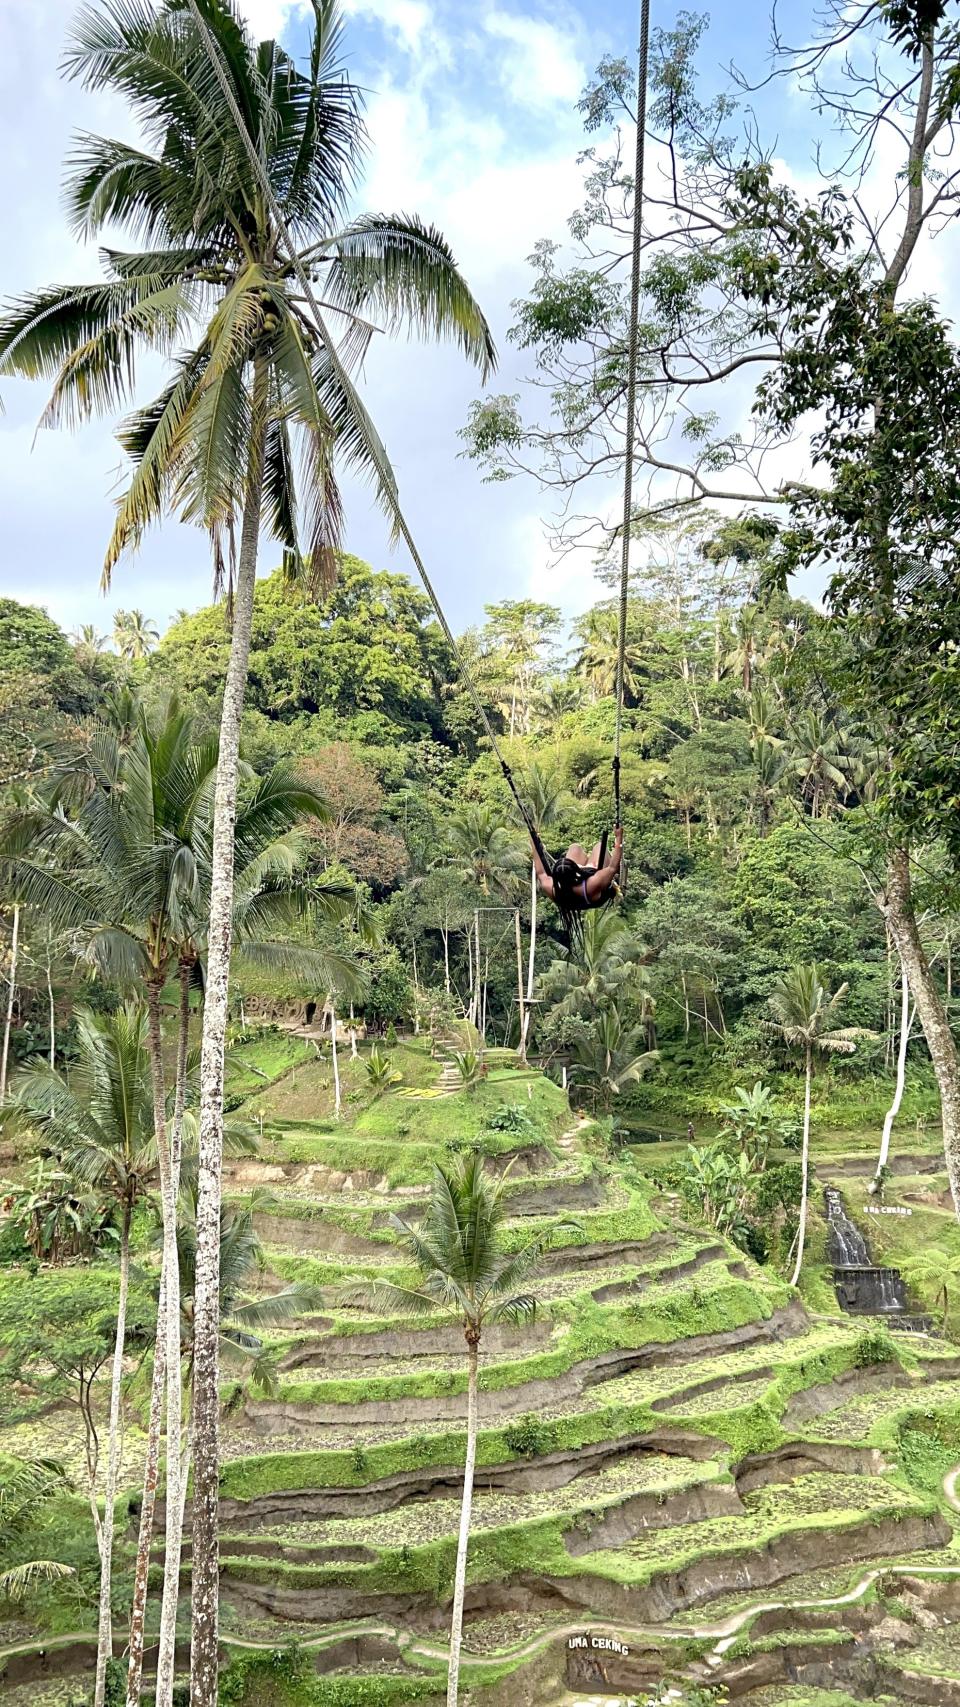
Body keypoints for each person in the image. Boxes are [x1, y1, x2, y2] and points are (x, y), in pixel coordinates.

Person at [531, 827, 623, 923]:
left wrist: (533, 842)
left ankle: (588, 866)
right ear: (577, 871)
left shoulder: (553, 888)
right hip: (592, 894)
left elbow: (541, 872)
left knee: (574, 848)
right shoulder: (592, 884)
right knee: (599, 847)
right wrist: (619, 838)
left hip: (576, 888)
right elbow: (612, 868)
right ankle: (597, 870)